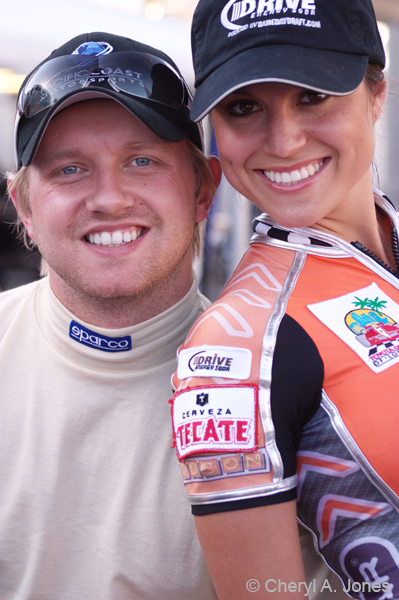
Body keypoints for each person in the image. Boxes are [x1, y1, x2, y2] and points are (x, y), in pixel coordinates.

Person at [170, 1, 399, 598]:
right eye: (244, 108)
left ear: (377, 94)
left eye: (313, 95)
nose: (285, 139)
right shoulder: (235, 350)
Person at [0, 31, 222, 600]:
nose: (110, 198)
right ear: (23, 206)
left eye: (142, 160)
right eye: (69, 169)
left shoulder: (284, 386)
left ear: (204, 189)